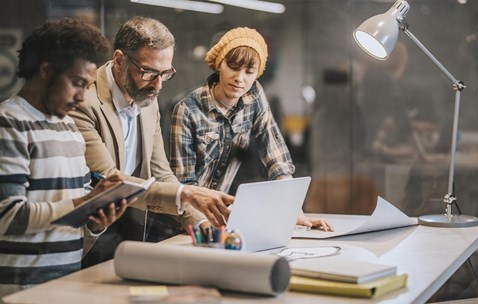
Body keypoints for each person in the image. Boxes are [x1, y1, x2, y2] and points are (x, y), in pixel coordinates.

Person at [69, 17, 234, 264]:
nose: (157, 85)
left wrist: (200, 222)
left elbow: (160, 173)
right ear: (119, 60)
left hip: (128, 233)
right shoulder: (84, 101)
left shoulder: (147, 96)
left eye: (165, 73)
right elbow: (109, 179)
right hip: (87, 235)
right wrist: (187, 193)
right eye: (148, 72)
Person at [0, 18, 133, 299]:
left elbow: (72, 214)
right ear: (46, 70)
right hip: (19, 291)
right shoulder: (9, 123)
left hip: (67, 284)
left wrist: (96, 219)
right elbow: (7, 216)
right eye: (76, 83)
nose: (82, 97)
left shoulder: (69, 128)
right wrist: (85, 203)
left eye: (87, 86)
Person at [170, 27, 332, 230]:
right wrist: (202, 223)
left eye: (249, 72)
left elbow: (276, 158)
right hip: (181, 220)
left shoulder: (253, 96)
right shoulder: (187, 109)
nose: (240, 78)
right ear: (219, 63)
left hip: (216, 220)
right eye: (233, 67)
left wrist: (295, 214)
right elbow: (183, 183)